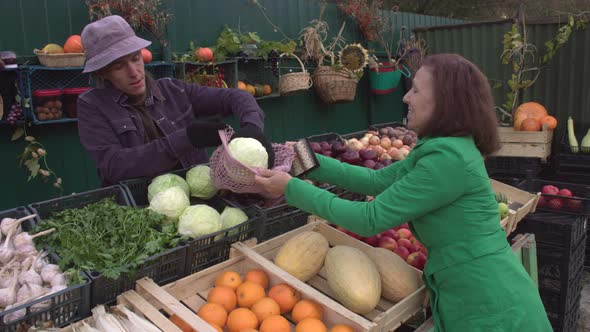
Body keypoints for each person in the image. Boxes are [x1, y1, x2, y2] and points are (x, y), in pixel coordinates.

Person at [254, 54, 552, 331]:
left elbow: (370, 219)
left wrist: (292, 188)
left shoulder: (448, 159)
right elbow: (376, 181)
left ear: (445, 102)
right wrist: (306, 159)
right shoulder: (442, 147)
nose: (406, 97)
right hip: (468, 287)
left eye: (417, 91)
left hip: (487, 299)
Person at [77, 15, 271, 186]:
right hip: (137, 207)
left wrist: (252, 128)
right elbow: (114, 165)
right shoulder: (93, 106)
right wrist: (186, 138)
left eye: (135, 59)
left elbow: (238, 96)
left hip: (198, 196)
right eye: (119, 66)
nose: (134, 72)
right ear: (103, 73)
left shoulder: (172, 89)